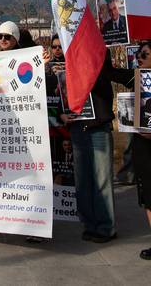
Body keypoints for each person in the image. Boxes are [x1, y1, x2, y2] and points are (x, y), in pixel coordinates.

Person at [61, 49, 134, 243]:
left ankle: (105, 227)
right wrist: (61, 113)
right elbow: (58, 92)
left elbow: (109, 78)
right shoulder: (68, 58)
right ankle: (89, 224)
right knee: (83, 180)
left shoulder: (99, 54)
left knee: (102, 179)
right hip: (77, 126)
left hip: (99, 126)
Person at [132, 41, 151, 260]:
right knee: (148, 195)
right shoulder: (134, 77)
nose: (140, 57)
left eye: (144, 54)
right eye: (138, 54)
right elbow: (110, 72)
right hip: (142, 147)